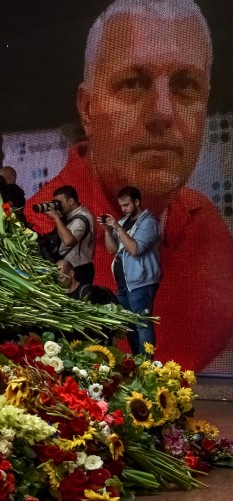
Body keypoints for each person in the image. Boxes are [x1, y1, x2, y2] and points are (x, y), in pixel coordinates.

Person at [23, 0, 232, 370]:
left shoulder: (210, 230)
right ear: (87, 109)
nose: (163, 113)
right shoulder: (33, 241)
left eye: (186, 86)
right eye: (133, 84)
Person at [101, 186, 161, 356]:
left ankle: (147, 366)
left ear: (137, 201)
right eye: (121, 206)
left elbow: (135, 249)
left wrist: (119, 229)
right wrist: (107, 230)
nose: (123, 209)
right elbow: (112, 249)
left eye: (126, 205)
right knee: (129, 324)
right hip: (123, 283)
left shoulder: (149, 222)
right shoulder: (124, 221)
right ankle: (136, 363)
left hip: (141, 282)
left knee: (142, 324)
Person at [40, 185, 96, 285]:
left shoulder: (82, 218)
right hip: (69, 267)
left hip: (79, 269)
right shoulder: (70, 216)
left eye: (60, 202)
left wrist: (56, 217)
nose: (58, 206)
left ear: (70, 201)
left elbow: (69, 241)